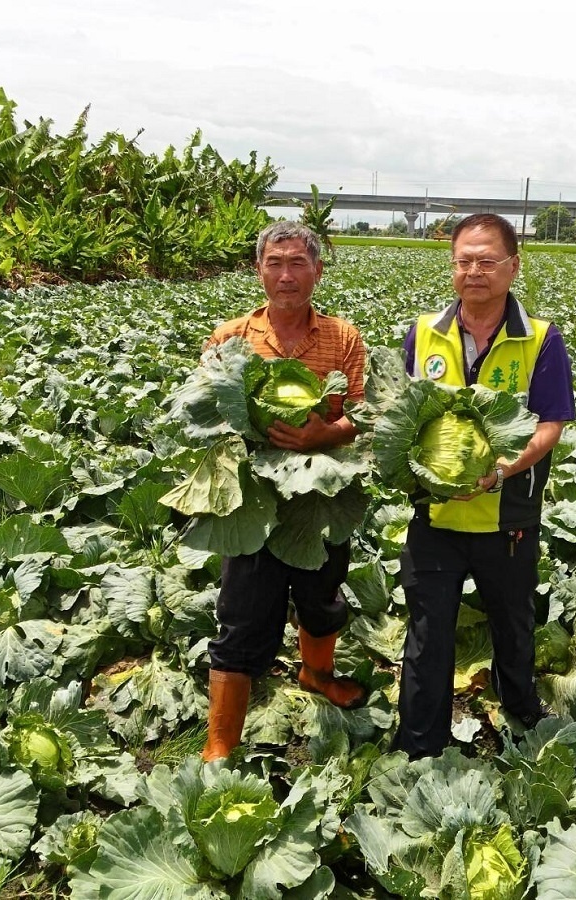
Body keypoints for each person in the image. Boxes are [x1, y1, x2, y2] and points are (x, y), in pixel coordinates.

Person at [395, 213, 576, 758]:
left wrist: (499, 469)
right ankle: (419, 741)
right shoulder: (424, 333)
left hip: (508, 515)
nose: (474, 271)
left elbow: (551, 424)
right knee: (428, 632)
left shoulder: (540, 339)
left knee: (513, 621)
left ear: (512, 267)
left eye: (487, 261)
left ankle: (520, 710)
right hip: (437, 515)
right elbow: (401, 416)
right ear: (452, 267)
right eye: (464, 261)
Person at [201, 221, 367, 761]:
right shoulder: (231, 339)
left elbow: (364, 416)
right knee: (243, 615)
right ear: (259, 270)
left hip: (322, 493)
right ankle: (220, 741)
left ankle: (316, 674)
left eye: (298, 263)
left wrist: (325, 433)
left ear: (317, 270)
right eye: (275, 263)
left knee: (322, 600)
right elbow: (203, 410)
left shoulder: (343, 338)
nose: (286, 275)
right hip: (253, 499)